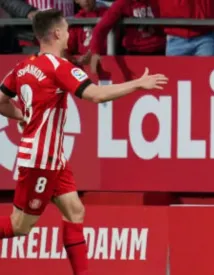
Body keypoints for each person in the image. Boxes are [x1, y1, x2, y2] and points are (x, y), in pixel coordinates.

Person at [0, 9, 167, 275]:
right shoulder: (59, 68)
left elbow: (1, 100)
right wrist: (138, 84)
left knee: (75, 211)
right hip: (41, 160)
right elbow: (97, 95)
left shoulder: (24, 66)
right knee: (20, 226)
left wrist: (21, 115)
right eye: (66, 29)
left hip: (54, 158)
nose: (69, 34)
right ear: (56, 34)